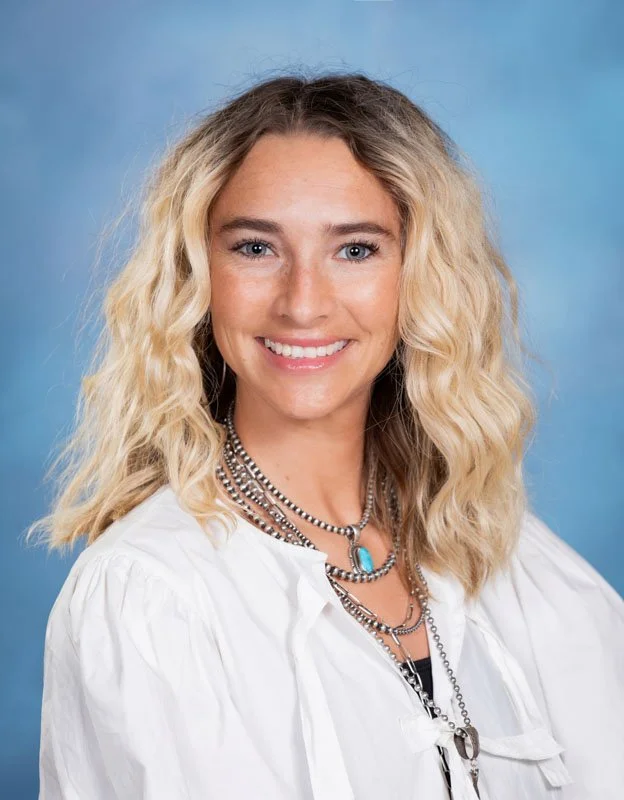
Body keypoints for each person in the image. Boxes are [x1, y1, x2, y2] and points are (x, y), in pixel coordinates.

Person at [31, 72, 624, 800]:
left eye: (356, 250)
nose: (303, 303)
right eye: (256, 248)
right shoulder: (154, 596)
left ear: (420, 274)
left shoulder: (511, 559)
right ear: (196, 275)